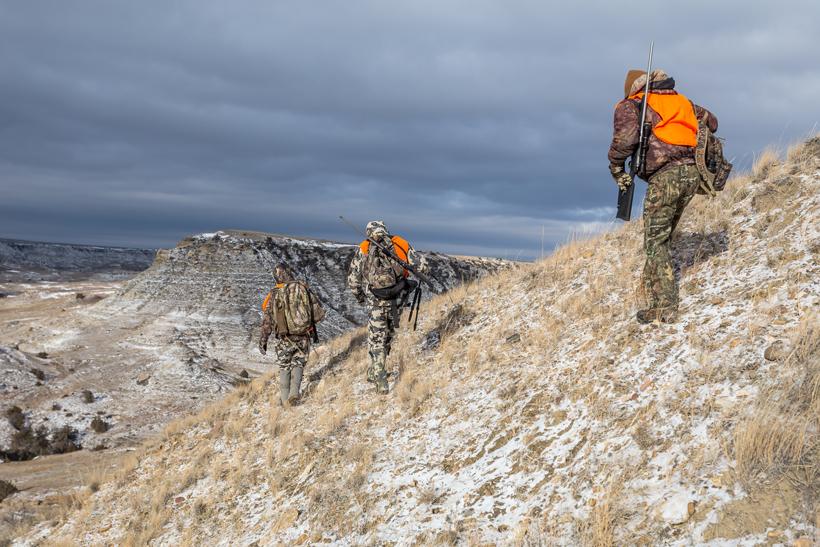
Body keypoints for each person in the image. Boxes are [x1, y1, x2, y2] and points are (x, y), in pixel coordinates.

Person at [608, 69, 719, 324]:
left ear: (633, 88)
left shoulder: (632, 104)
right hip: (693, 174)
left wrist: (615, 165)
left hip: (665, 177)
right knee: (663, 237)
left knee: (655, 241)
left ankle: (665, 306)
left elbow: (624, 141)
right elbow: (712, 122)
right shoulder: (682, 101)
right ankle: (649, 292)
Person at [347, 220, 427, 394]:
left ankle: (380, 377)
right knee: (388, 334)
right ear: (385, 229)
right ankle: (374, 371)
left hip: (375, 300)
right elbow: (422, 266)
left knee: (376, 337)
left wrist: (361, 298)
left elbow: (353, 279)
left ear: (369, 232)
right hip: (397, 298)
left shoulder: (364, 247)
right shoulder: (400, 242)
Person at [259, 263, 325, 406]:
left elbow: (267, 321)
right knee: (298, 364)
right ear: (290, 272)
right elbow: (319, 314)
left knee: (284, 366)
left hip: (284, 337)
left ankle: (284, 400)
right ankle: (294, 393)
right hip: (303, 336)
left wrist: (263, 340)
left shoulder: (273, 294)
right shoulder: (303, 288)